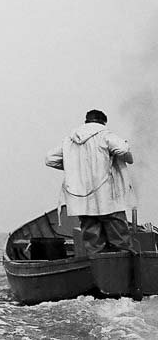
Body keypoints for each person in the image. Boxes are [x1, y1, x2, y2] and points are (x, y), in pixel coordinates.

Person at [46, 109, 136, 254]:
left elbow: (50, 159)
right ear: (103, 122)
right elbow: (123, 150)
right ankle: (124, 273)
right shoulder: (105, 134)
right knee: (121, 242)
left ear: (86, 121)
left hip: (82, 200)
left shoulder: (70, 139)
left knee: (94, 246)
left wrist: (73, 168)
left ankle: (101, 273)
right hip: (108, 199)